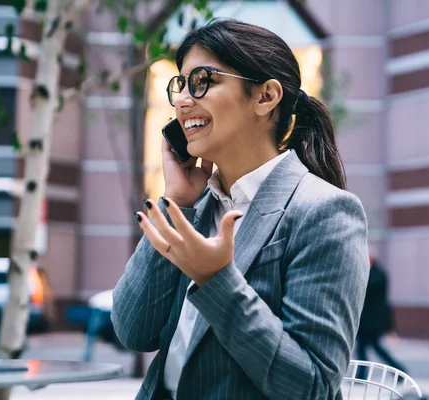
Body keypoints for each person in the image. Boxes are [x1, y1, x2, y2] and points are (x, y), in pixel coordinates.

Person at [111, 19, 370, 400]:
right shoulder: (194, 207)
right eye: (180, 84)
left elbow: (311, 386)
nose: (183, 99)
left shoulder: (325, 213)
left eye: (202, 81)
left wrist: (216, 281)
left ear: (265, 97)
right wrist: (176, 203)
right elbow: (133, 330)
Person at [356, 257, 407, 379]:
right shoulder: (376, 274)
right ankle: (362, 375)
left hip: (371, 322)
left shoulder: (377, 275)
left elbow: (368, 289)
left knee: (373, 348)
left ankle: (399, 370)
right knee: (364, 348)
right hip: (368, 321)